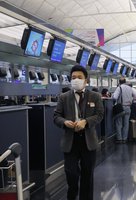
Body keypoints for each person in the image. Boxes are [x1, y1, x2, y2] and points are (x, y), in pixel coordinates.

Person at [53, 65, 104, 200]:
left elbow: (99, 115)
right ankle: (72, 194)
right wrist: (64, 122)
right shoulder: (64, 97)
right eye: (73, 77)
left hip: (88, 141)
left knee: (88, 175)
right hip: (71, 140)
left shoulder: (95, 96)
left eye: (79, 77)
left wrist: (86, 122)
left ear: (86, 80)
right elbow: (56, 116)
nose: (76, 80)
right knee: (71, 173)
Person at [113, 77, 136, 143]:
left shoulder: (119, 88)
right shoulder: (130, 88)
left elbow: (115, 97)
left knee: (119, 123)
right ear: (125, 81)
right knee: (126, 124)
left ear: (119, 82)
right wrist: (130, 100)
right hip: (128, 107)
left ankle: (119, 139)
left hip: (120, 108)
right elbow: (135, 97)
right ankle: (125, 139)